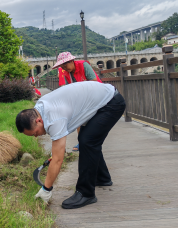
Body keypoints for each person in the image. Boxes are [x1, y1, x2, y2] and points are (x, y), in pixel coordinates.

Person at [15, 81, 125, 209]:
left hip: (111, 103)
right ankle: (102, 178)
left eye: (35, 133)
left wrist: (46, 189)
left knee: (88, 141)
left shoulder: (54, 118)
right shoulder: (40, 107)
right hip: (102, 99)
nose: (36, 136)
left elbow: (58, 160)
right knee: (87, 139)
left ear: (38, 121)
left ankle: (86, 193)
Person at [53, 52, 103, 151]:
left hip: (96, 94)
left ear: (71, 61)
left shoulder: (84, 65)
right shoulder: (67, 73)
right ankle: (82, 142)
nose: (64, 68)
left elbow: (94, 82)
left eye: (65, 65)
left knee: (92, 121)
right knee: (76, 116)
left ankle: (90, 141)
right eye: (62, 66)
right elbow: (69, 89)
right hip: (82, 98)